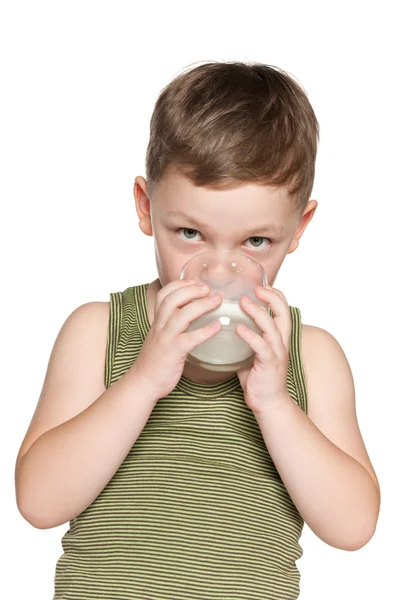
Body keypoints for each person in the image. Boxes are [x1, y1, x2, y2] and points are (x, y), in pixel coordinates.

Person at [14, 60, 381, 600]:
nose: (217, 270)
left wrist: (275, 404)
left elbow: (353, 528)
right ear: (146, 207)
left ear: (298, 229)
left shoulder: (310, 356)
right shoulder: (99, 332)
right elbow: (39, 503)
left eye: (256, 242)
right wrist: (141, 380)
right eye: (190, 233)